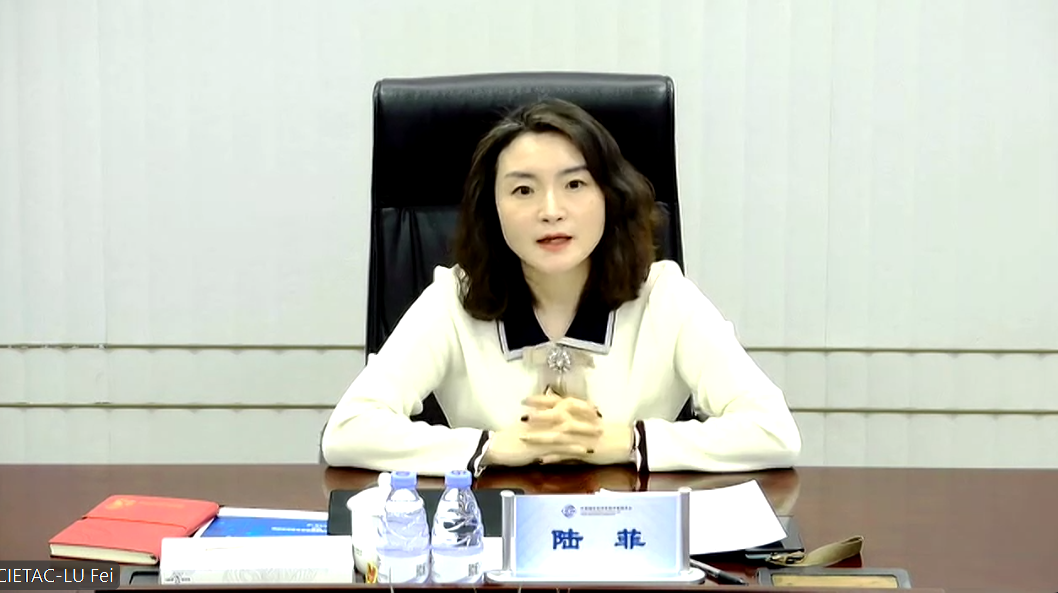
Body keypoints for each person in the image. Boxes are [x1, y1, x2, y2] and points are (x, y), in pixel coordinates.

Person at [321, 98, 801, 477]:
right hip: (493, 539)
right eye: (523, 190)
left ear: (609, 195)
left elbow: (773, 431)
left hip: (630, 538)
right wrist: (492, 446)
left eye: (574, 185)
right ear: (492, 209)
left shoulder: (664, 297)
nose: (551, 211)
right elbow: (347, 431)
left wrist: (626, 441)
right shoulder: (454, 300)